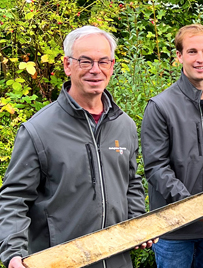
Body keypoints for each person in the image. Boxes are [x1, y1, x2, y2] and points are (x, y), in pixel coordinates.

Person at [0, 26, 153, 268]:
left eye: (103, 61)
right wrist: (14, 252)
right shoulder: (38, 130)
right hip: (60, 261)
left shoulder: (124, 125)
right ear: (67, 65)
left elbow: (131, 181)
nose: (95, 70)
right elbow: (14, 198)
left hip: (117, 259)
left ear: (112, 66)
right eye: (85, 61)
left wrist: (135, 222)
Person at [141, 24, 203, 268]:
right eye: (192, 52)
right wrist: (192, 205)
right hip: (173, 229)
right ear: (179, 56)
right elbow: (156, 167)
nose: (200, 59)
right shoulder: (160, 106)